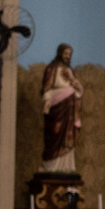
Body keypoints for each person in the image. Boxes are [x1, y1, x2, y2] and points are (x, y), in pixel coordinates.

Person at [41, 43, 84, 173]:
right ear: (60, 53)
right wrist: (47, 100)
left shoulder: (70, 70)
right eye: (65, 53)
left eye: (69, 54)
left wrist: (78, 87)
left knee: (68, 135)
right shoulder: (52, 69)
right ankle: (51, 165)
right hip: (57, 108)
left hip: (70, 109)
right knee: (55, 132)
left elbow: (77, 89)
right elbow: (47, 89)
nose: (67, 56)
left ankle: (66, 166)